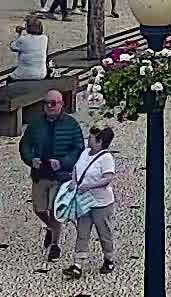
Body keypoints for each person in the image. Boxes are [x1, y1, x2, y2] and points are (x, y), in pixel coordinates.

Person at [20, 89, 84, 262]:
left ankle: (55, 244)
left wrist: (63, 162)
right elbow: (25, 145)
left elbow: (78, 149)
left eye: (53, 103)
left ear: (61, 104)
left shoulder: (71, 125)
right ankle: (49, 228)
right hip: (40, 174)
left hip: (60, 176)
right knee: (39, 209)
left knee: (54, 210)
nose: (50, 106)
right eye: (47, 103)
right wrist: (30, 159)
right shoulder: (36, 124)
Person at [64, 123, 118, 279]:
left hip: (101, 203)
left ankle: (108, 258)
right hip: (85, 201)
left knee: (104, 232)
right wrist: (74, 181)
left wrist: (88, 186)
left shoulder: (106, 158)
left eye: (92, 138)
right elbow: (76, 168)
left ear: (100, 142)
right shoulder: (85, 153)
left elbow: (107, 179)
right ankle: (78, 264)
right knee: (82, 232)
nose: (89, 140)